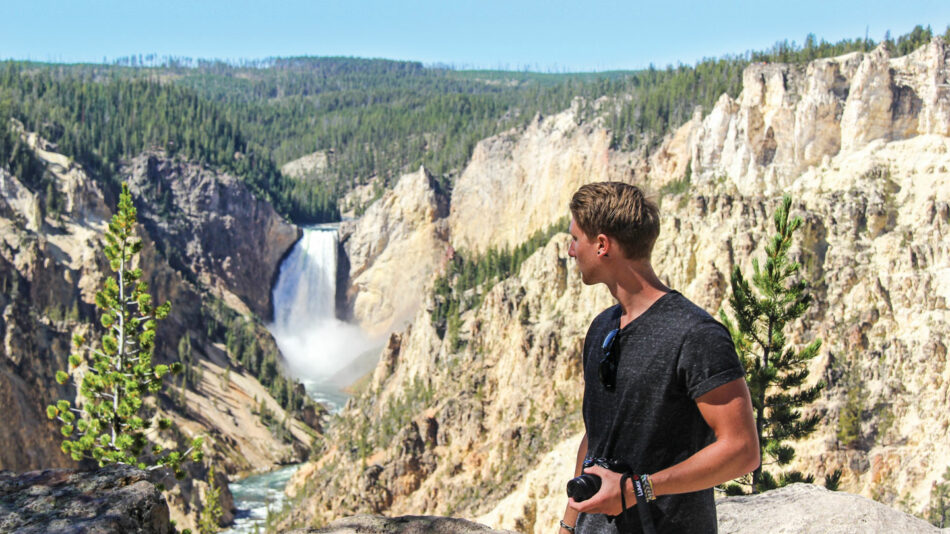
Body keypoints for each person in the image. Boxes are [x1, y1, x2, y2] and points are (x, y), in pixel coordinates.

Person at [558, 182, 759, 534]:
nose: (571, 251)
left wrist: (639, 490)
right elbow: (596, 437)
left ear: (602, 245)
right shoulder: (602, 328)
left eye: (576, 239)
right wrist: (568, 524)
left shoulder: (696, 334)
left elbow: (742, 449)